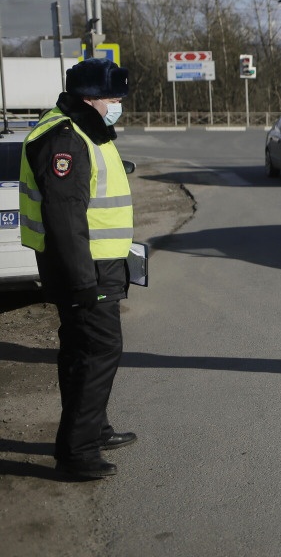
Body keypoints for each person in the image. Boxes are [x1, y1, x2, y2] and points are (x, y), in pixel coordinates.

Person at [19, 58, 137, 479]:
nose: (118, 104)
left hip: (97, 264)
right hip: (86, 268)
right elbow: (65, 218)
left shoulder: (84, 129)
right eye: (113, 98)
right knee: (99, 351)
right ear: (91, 97)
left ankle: (94, 429)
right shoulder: (64, 138)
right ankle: (77, 453)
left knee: (80, 351)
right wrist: (83, 281)